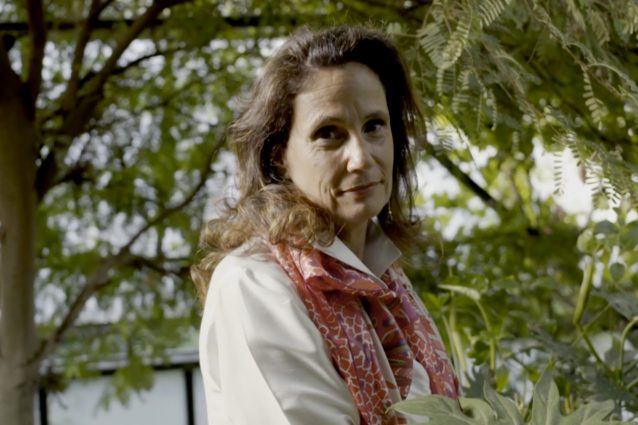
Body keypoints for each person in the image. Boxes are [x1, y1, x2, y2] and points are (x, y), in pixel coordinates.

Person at [192, 25, 459, 425]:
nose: (361, 158)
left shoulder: (388, 284)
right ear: (279, 155)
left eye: (374, 126)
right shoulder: (255, 285)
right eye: (329, 134)